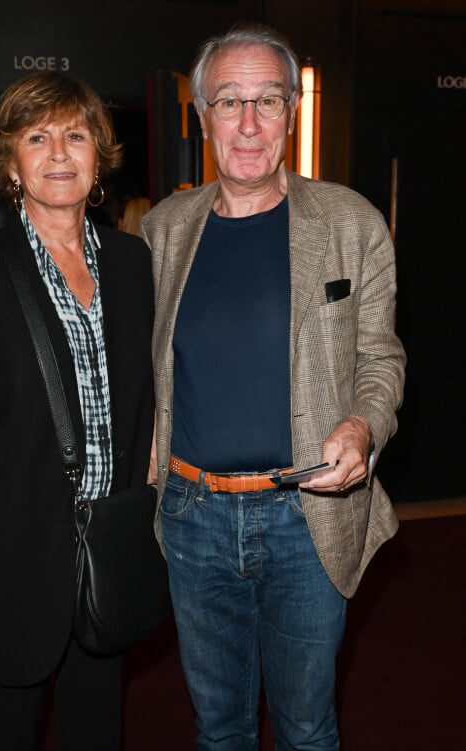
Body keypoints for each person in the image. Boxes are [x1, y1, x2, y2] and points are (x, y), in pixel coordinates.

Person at [141, 21, 405, 751]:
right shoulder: (162, 230)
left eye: (268, 100)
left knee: (307, 726)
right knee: (218, 728)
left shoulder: (353, 222)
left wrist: (362, 425)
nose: (249, 122)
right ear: (202, 116)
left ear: (293, 110)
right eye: (230, 101)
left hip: (305, 521)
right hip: (192, 517)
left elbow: (382, 359)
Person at [0, 70, 155, 751]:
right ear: (11, 161)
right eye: (37, 136)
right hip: (6, 566)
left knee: (97, 733)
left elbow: (148, 401)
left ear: (98, 155)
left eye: (75, 135)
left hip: (108, 559)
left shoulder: (136, 265)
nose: (58, 153)